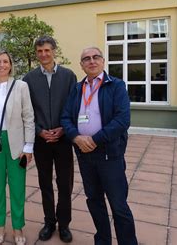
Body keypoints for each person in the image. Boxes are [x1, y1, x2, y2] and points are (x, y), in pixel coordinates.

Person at [61, 47, 138, 245]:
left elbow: (122, 120)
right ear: (81, 65)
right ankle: (102, 240)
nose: (91, 61)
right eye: (86, 59)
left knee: (118, 205)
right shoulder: (77, 89)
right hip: (85, 155)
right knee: (94, 201)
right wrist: (77, 138)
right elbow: (66, 118)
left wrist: (95, 140)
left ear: (103, 61)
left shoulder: (116, 86)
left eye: (96, 57)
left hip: (109, 154)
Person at [23, 36, 77, 243]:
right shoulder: (28, 79)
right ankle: (49, 222)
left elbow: (75, 106)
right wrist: (39, 131)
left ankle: (64, 224)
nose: (43, 54)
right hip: (41, 140)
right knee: (44, 182)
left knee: (65, 184)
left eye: (47, 50)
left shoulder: (68, 76)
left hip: (64, 139)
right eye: (39, 51)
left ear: (54, 51)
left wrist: (64, 129)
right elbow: (26, 112)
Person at [0, 50, 35, 245]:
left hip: (16, 143)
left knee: (18, 187)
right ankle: (0, 224)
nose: (1, 65)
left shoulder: (21, 86)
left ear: (11, 65)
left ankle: (18, 226)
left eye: (5, 62)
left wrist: (28, 147)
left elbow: (28, 116)